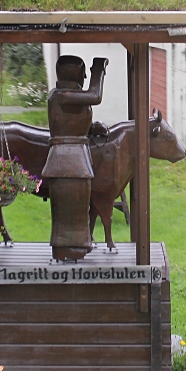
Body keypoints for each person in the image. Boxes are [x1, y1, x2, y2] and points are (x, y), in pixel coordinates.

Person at [42, 55, 108, 260]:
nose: (86, 75)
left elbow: (72, 120)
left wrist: (89, 128)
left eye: (87, 72)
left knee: (78, 207)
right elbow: (95, 95)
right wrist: (99, 67)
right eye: (83, 71)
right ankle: (66, 248)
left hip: (74, 157)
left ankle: (79, 244)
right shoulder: (62, 95)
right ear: (72, 73)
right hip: (67, 159)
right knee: (69, 208)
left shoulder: (68, 96)